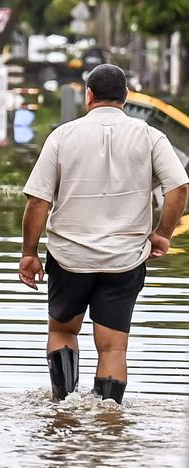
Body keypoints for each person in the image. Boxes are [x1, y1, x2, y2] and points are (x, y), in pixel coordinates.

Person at [19, 64, 188, 404]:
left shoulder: (62, 136)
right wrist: (163, 234)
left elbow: (38, 201)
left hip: (70, 257)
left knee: (63, 331)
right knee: (113, 346)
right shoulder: (150, 136)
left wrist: (29, 252)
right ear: (125, 98)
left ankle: (64, 407)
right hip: (124, 260)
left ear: (89, 95)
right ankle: (108, 417)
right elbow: (179, 188)